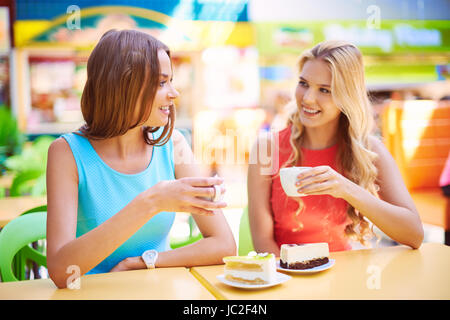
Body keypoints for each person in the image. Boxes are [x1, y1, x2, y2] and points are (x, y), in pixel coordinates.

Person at [46, 29, 236, 288]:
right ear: (124, 85)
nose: (174, 93)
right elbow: (61, 271)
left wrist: (147, 260)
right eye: (161, 83)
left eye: (170, 81)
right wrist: (151, 201)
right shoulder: (66, 153)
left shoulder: (173, 144)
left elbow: (224, 245)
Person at [247, 40, 423, 255]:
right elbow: (262, 240)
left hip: (341, 276)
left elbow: (414, 234)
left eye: (325, 90)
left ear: (346, 97)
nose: (308, 98)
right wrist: (290, 275)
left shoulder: (369, 150)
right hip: (286, 275)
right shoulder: (267, 148)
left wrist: (346, 188)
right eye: (303, 83)